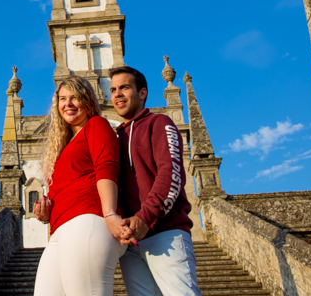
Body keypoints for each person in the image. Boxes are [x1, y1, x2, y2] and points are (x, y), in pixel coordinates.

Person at [32, 76, 130, 296]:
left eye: (75, 97)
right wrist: (46, 211)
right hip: (60, 229)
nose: (68, 104)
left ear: (87, 101)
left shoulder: (96, 124)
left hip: (88, 220)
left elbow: (107, 167)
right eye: (63, 98)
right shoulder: (64, 146)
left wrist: (110, 213)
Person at [110, 66, 201, 296]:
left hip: (165, 234)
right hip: (131, 243)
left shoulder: (160, 123)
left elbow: (171, 175)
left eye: (124, 87)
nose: (117, 94)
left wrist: (145, 217)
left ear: (142, 93)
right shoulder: (116, 137)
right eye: (113, 90)